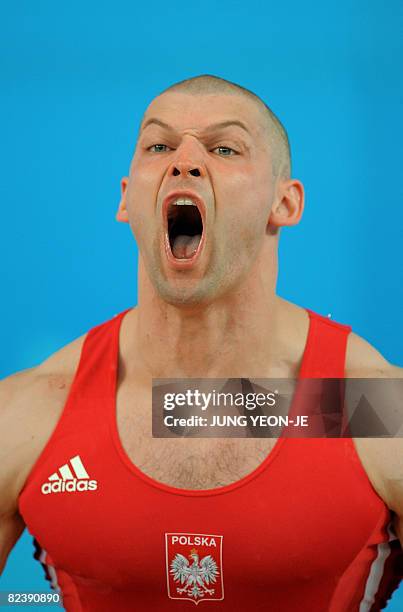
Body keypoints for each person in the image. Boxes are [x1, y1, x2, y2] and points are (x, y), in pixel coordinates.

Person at [0, 75, 402, 611]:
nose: (184, 162)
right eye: (159, 145)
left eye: (224, 147)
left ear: (284, 202)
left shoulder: (367, 407)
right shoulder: (32, 412)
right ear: (127, 199)